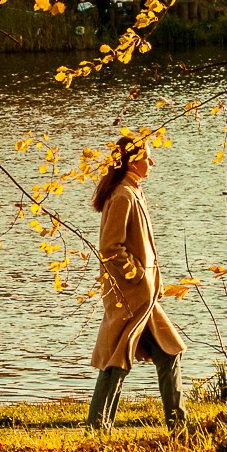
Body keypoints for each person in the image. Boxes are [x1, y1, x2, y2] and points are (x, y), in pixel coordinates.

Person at [85, 136, 187, 432]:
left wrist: (152, 281)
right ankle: (97, 428)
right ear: (132, 162)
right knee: (117, 358)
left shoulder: (132, 191)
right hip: (131, 296)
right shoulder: (123, 195)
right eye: (147, 158)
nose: (151, 162)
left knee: (169, 351)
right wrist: (139, 276)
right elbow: (110, 248)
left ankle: (179, 427)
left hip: (145, 297)